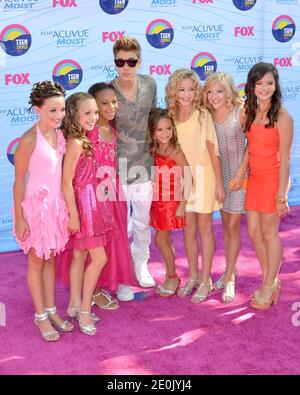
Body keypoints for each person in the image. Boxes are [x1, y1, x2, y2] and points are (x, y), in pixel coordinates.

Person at [12, 80, 74, 342]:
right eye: (53, 111)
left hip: (55, 208)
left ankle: (51, 310)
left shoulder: (59, 134)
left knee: (51, 259)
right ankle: (40, 316)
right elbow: (18, 181)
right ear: (38, 109)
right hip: (35, 210)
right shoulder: (28, 140)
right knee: (37, 261)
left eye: (61, 110)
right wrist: (20, 218)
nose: (59, 115)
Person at [165, 69, 225, 303]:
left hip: (206, 177)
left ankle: (206, 279)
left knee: (204, 229)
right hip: (184, 180)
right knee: (188, 231)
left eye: (191, 89)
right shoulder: (170, 116)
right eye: (182, 89)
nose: (187, 94)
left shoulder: (203, 115)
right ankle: (192, 276)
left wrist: (219, 183)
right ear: (174, 91)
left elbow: (213, 150)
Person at [61, 92, 117, 335]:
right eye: (88, 113)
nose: (94, 117)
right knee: (99, 259)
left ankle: (74, 304)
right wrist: (73, 214)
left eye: (95, 112)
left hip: (90, 200)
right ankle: (84, 310)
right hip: (83, 204)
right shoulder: (74, 141)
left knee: (79, 255)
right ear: (74, 114)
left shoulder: (81, 137)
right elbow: (66, 181)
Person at [243, 62, 293, 309]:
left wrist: (281, 196)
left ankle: (268, 284)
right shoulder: (249, 112)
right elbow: (249, 147)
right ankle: (270, 281)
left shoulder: (283, 117)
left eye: (269, 83)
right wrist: (242, 170)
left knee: (268, 232)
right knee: (253, 232)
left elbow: (285, 159)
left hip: (274, 178)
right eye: (259, 83)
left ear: (276, 85)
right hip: (255, 178)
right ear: (251, 85)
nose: (264, 88)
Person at [111, 36, 157, 301]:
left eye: (131, 61)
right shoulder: (107, 91)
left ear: (139, 61)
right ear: (115, 62)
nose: (126, 66)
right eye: (120, 61)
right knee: (120, 226)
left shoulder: (150, 84)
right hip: (115, 169)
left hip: (144, 165)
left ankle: (141, 264)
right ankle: (122, 274)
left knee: (142, 222)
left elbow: (154, 121)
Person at [87, 82, 136, 309]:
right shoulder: (88, 131)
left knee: (113, 240)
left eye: (114, 102)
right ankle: (92, 290)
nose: (110, 106)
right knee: (95, 243)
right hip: (93, 195)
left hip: (113, 192)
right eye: (104, 103)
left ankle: (100, 285)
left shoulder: (113, 129)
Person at [203, 72, 247, 303]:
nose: (214, 96)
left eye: (219, 91)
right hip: (219, 177)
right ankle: (232, 269)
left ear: (229, 91)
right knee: (226, 226)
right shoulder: (207, 116)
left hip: (239, 178)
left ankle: (229, 278)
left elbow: (254, 143)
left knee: (232, 227)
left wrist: (242, 172)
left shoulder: (241, 114)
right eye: (210, 91)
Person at [148, 108, 191, 297]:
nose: (165, 134)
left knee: (160, 239)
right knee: (164, 240)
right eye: (159, 130)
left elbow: (189, 176)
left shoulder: (174, 150)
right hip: (158, 200)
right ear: (152, 132)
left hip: (171, 201)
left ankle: (173, 277)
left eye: (168, 129)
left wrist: (182, 204)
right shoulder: (154, 149)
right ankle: (170, 274)